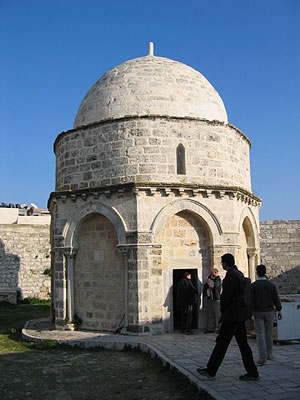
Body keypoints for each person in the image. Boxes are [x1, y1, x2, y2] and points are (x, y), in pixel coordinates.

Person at [197, 253, 259, 381]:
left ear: (226, 263)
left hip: (232, 315)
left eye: (222, 262)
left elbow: (227, 297)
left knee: (222, 343)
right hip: (239, 315)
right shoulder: (239, 274)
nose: (222, 265)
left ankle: (211, 370)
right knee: (243, 345)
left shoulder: (231, 276)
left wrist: (224, 310)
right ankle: (253, 372)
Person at [251, 264, 282, 365]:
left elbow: (250, 300)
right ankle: (270, 354)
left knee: (260, 334)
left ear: (257, 273)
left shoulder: (254, 286)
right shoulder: (271, 285)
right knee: (269, 333)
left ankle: (262, 356)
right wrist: (279, 310)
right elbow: (275, 299)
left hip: (258, 312)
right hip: (269, 311)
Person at [203, 268, 221, 333]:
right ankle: (210, 328)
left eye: (212, 272)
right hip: (210, 298)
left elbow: (214, 285)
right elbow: (206, 286)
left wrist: (208, 280)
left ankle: (219, 328)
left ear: (215, 273)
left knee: (217, 314)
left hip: (216, 299)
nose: (211, 274)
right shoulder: (211, 279)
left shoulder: (218, 279)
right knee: (210, 314)